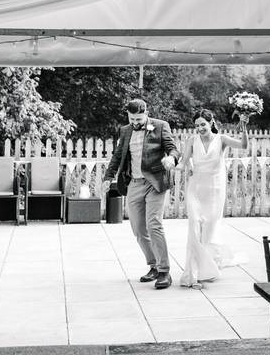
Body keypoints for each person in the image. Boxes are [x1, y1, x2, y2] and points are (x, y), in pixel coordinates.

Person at [102, 99, 180, 290]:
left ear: (146, 113)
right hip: (134, 183)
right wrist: (108, 177)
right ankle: (153, 265)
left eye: (139, 118)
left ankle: (164, 272)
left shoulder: (161, 126)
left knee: (154, 224)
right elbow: (118, 155)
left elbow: (173, 148)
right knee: (138, 228)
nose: (135, 122)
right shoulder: (125, 130)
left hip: (154, 182)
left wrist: (171, 158)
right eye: (132, 118)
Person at [178, 109, 248, 288]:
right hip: (196, 187)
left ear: (211, 123)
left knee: (209, 228)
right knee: (194, 226)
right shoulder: (192, 141)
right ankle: (192, 273)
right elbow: (183, 162)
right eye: (197, 125)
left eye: (203, 124)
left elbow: (243, 145)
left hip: (215, 190)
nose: (200, 128)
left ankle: (207, 267)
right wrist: (171, 164)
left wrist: (245, 128)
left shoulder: (222, 139)